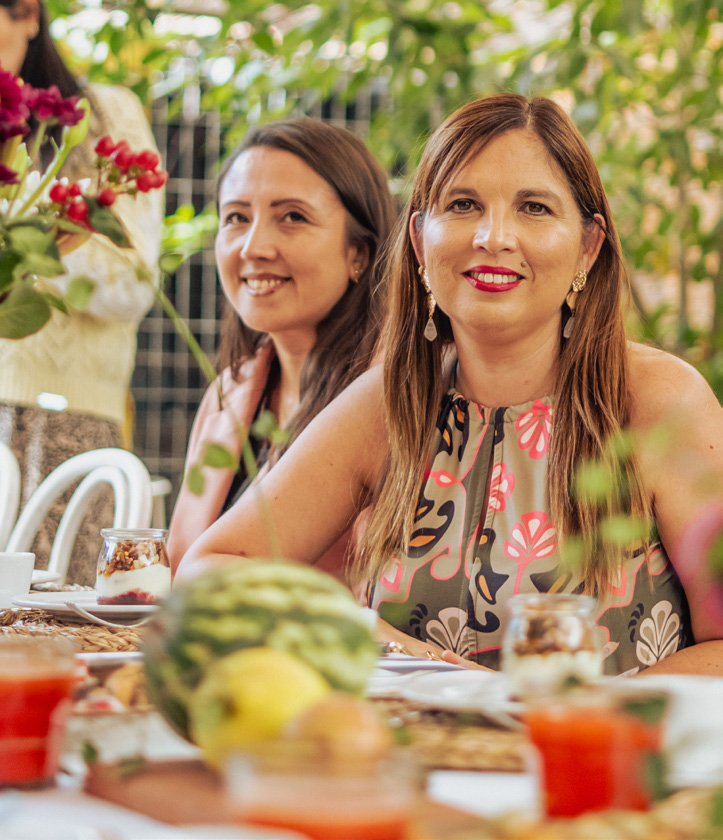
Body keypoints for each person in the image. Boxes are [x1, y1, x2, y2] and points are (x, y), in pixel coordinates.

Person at [177, 93, 723, 677]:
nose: (493, 236)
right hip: (415, 759)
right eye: (463, 204)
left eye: (534, 208)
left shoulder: (659, 400)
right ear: (418, 242)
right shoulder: (388, 402)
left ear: (588, 245)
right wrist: (362, 629)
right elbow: (211, 567)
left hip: (597, 759)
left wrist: (578, 717)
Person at [167, 117, 396, 579]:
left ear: (360, 253)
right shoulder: (228, 394)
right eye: (236, 218)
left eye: (292, 216)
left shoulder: (392, 396)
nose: (255, 246)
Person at [0, 0, 164, 585]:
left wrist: (22, 232)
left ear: (27, 14)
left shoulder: (102, 115)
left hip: (65, 429)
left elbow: (132, 284)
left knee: (64, 643)